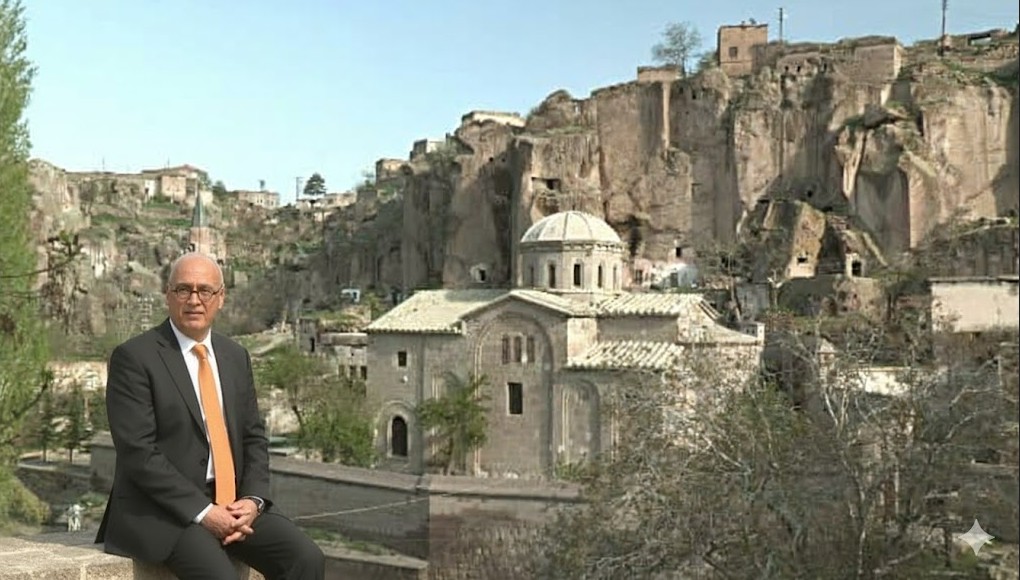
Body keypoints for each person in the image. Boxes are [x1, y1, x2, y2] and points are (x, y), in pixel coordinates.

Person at [94, 252, 325, 579]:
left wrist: (253, 500)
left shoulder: (235, 356)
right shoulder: (134, 358)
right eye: (183, 289)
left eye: (205, 290)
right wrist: (204, 512)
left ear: (221, 297)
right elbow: (139, 453)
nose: (194, 300)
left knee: (306, 559)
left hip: (232, 502)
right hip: (164, 511)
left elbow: (253, 437)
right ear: (167, 295)